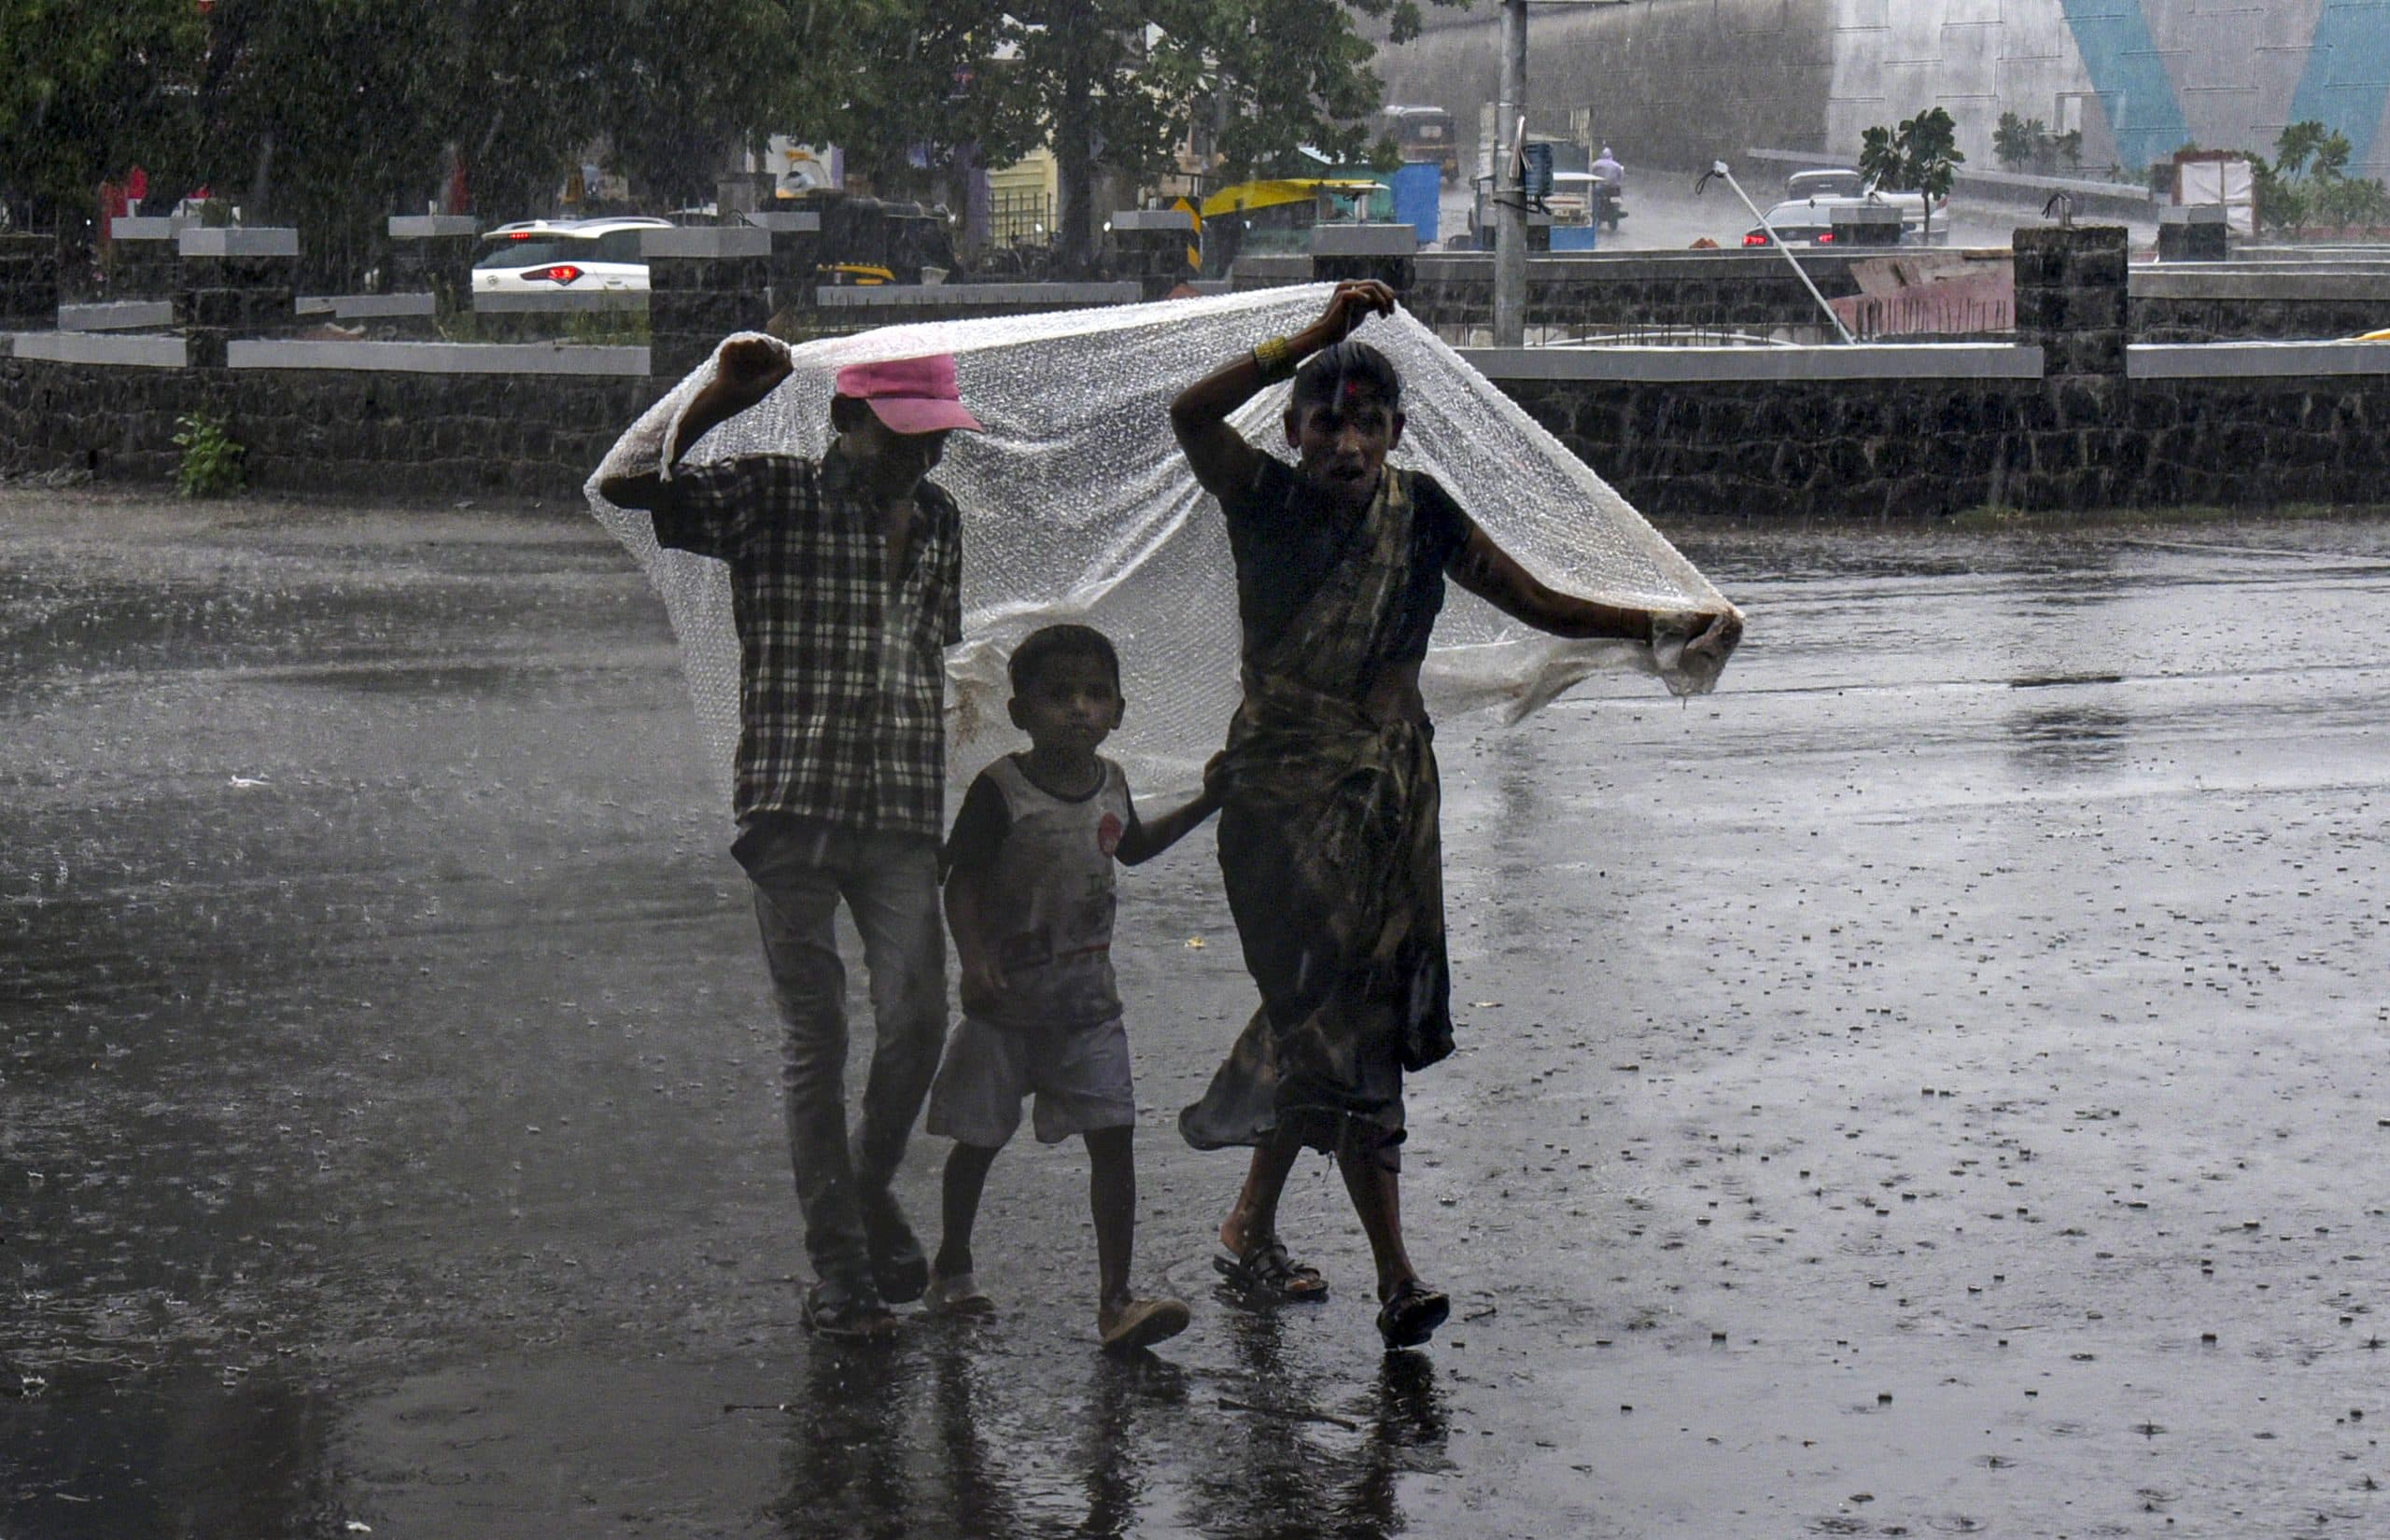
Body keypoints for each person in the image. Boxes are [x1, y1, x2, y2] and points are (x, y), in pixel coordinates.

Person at [1168, 281, 1740, 1351]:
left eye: (1366, 423)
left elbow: (1540, 603)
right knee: (1342, 1036)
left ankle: (1249, 1226)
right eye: (1324, 420)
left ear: (1396, 433)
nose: (1344, 441)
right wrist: (1310, 338)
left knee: (1336, 1029)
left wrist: (1664, 622)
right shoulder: (1264, 501)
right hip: (1285, 810)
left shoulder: (1419, 514)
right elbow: (1189, 416)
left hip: (1390, 805)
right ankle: (1397, 1276)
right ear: (1290, 431)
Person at [599, 340, 983, 1340]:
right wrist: (715, 396)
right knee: (819, 1038)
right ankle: (840, 1269)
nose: (920, 460)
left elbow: (931, 649)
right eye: (903, 437)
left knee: (916, 1023)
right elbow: (629, 484)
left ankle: (862, 1184)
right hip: (793, 805)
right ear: (845, 424)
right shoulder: (771, 494)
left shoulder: (940, 520)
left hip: (900, 807)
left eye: (933, 440)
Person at [923, 623, 1219, 1352]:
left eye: (1095, 694)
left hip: (1088, 1008)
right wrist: (974, 957)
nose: (1079, 709)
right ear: (1020, 711)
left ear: (1119, 709)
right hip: (1005, 1009)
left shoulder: (1111, 780)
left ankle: (1116, 1297)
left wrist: (1211, 801)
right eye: (1058, 696)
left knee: (1113, 1142)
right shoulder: (1002, 792)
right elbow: (960, 881)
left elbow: (1136, 848)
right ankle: (952, 1263)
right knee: (978, 1141)